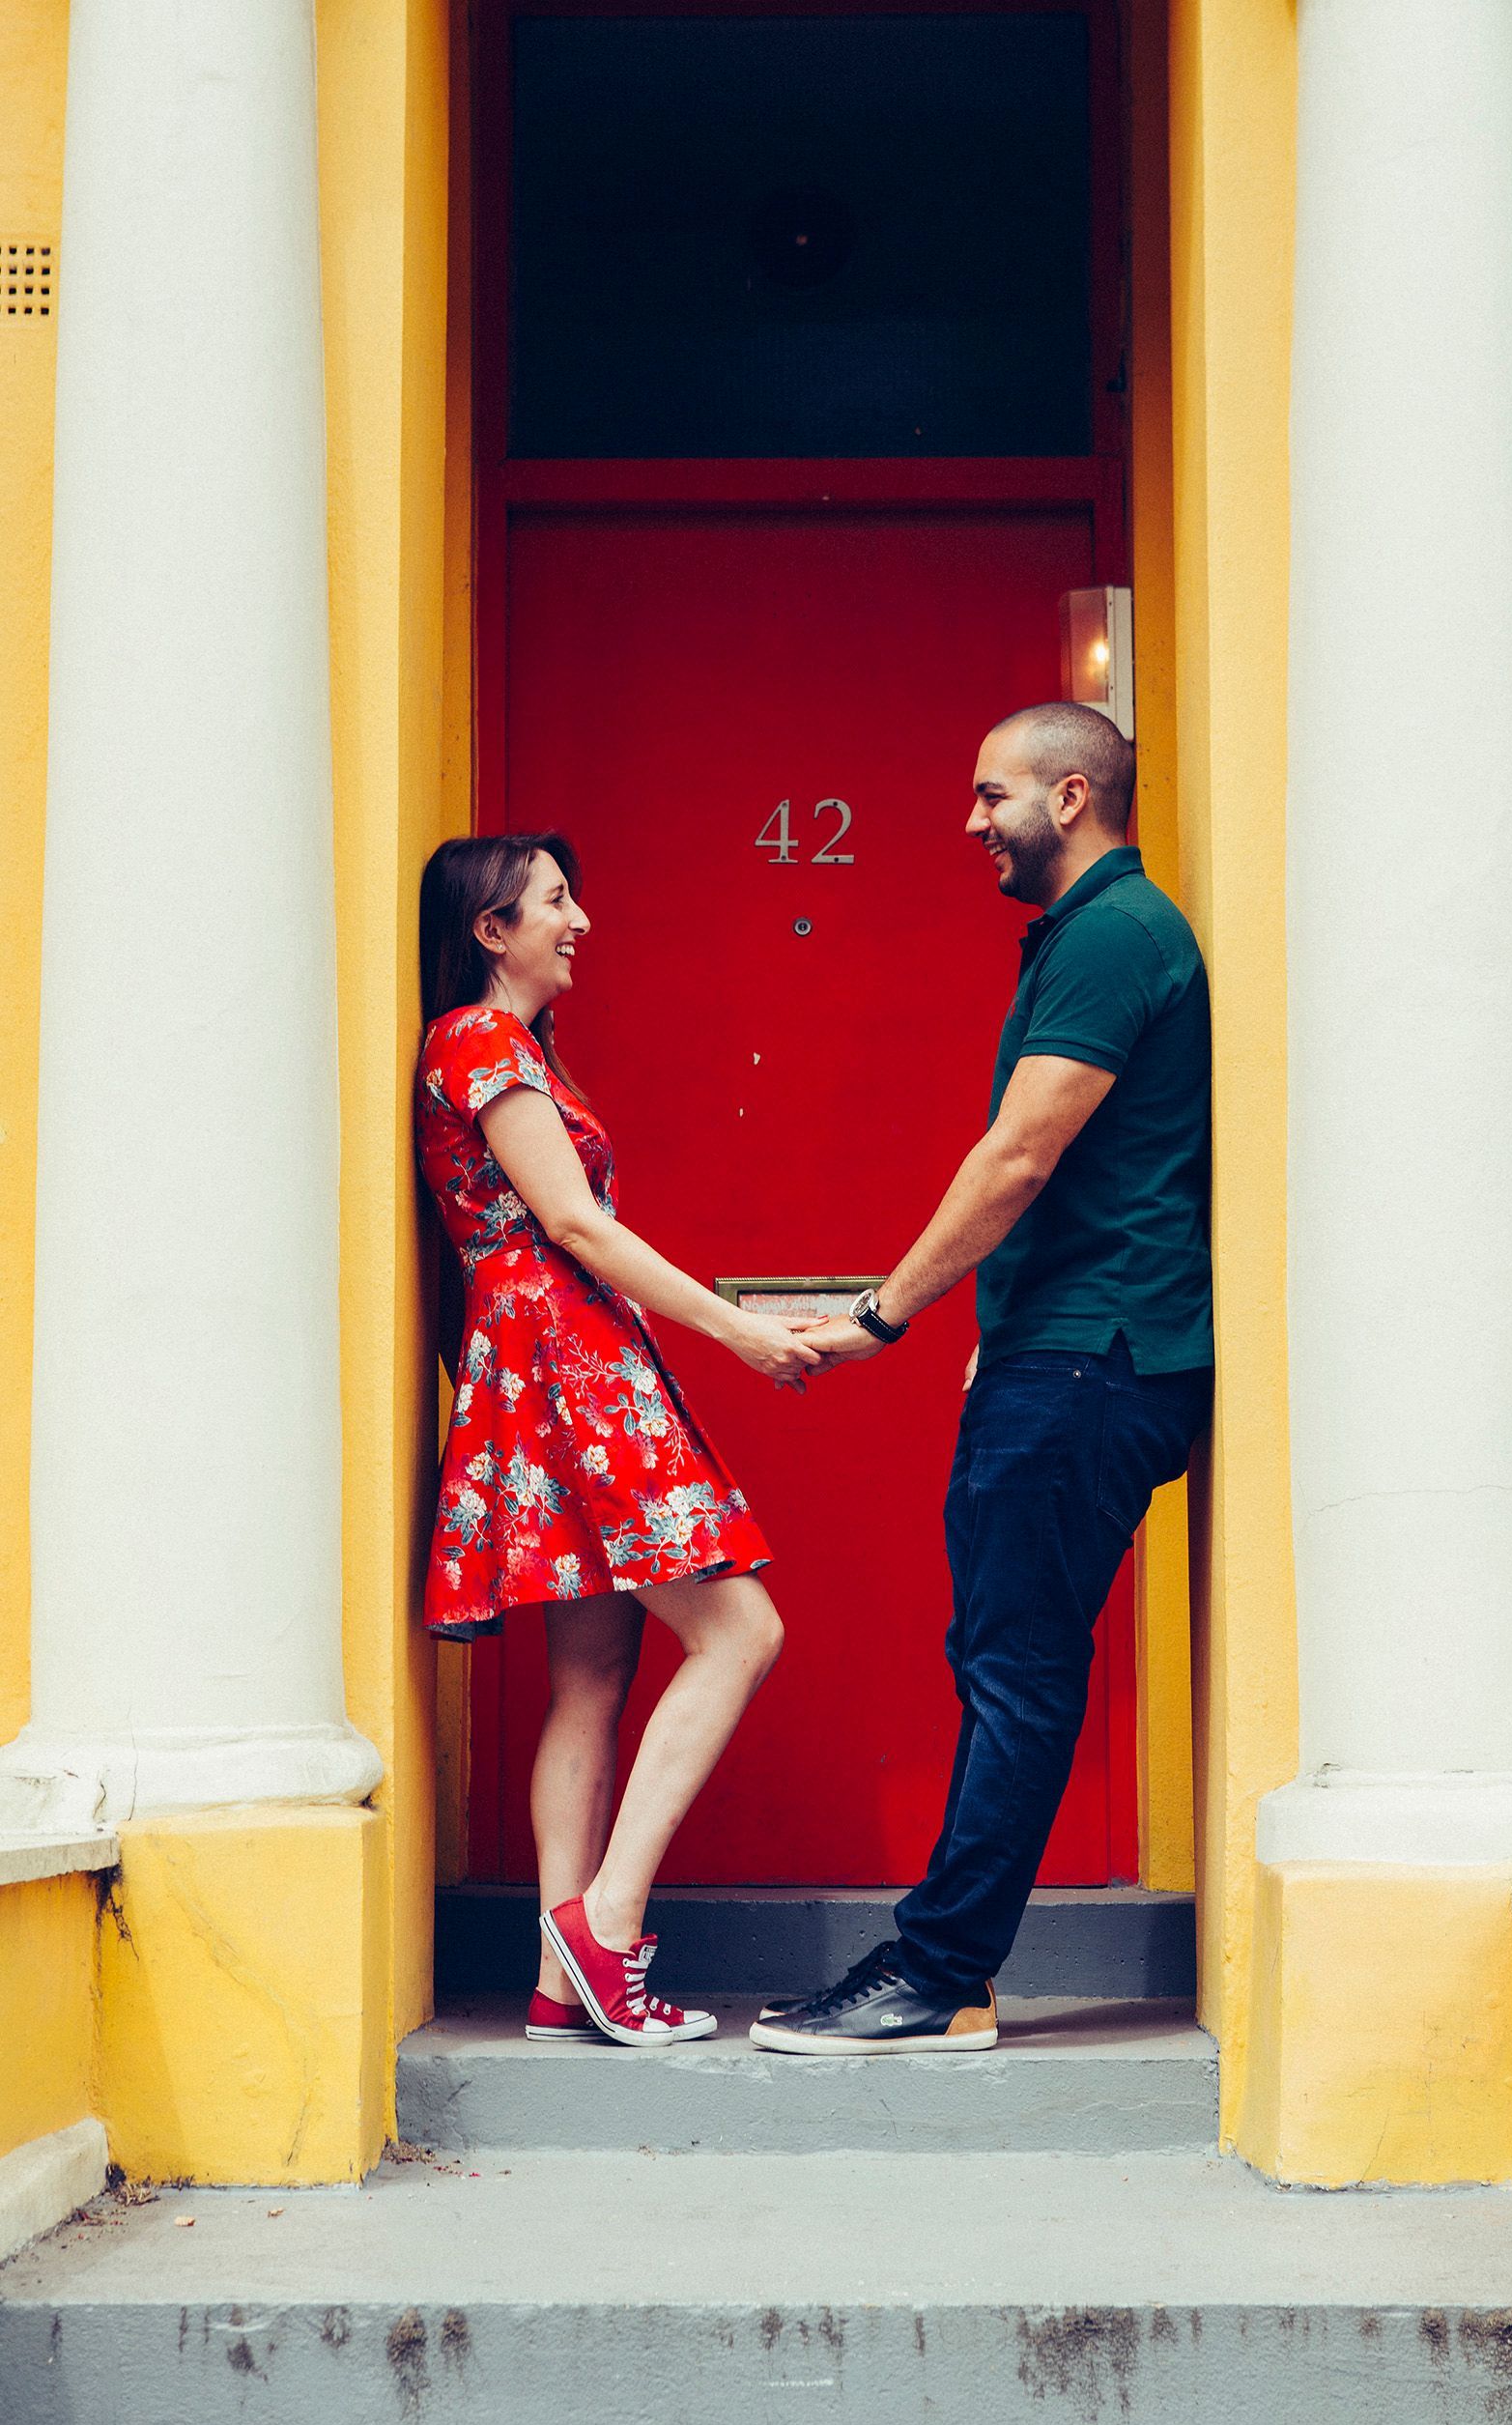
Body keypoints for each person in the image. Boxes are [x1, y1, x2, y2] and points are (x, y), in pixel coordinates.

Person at [751, 702, 1213, 2056]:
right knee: (1004, 1657)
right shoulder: (1093, 936)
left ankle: (939, 1971)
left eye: (990, 793)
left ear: (1071, 796)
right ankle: (946, 1966)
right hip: (1062, 1351)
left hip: (1091, 1357)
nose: (970, 821)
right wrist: (987, 1336)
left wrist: (882, 1313)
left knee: (1014, 1666)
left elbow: (1020, 1154)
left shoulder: (1119, 933)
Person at [415, 834, 821, 2048]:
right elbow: (574, 1227)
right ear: (493, 930)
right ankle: (606, 1921)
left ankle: (559, 1974)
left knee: (592, 1675)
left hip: (546, 1366)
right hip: (569, 1365)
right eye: (554, 900)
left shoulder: (507, 1047)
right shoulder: (481, 1040)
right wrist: (732, 1328)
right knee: (742, 1628)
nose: (579, 918)